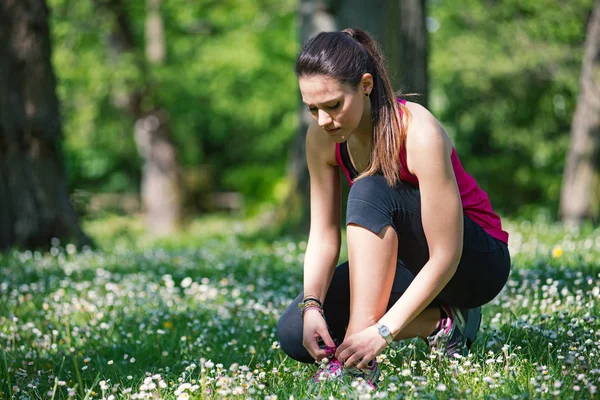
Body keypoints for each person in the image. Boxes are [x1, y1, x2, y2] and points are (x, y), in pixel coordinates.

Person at [277, 28, 510, 387]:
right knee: (295, 333)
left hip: (475, 261)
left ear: (365, 85)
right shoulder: (321, 139)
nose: (324, 120)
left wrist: (381, 332)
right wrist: (312, 307)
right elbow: (323, 236)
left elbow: (447, 253)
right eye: (313, 109)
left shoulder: (417, 130)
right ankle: (443, 323)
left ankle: (358, 366)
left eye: (334, 105)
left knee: (370, 187)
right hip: (406, 260)